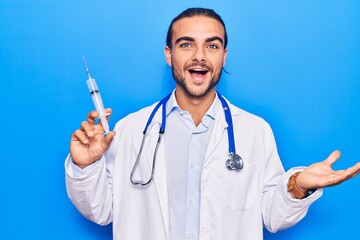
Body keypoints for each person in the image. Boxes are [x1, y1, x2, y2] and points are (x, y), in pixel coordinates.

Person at [65, 7, 360, 240]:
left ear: (224, 55)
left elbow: (272, 216)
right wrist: (84, 167)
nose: (199, 57)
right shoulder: (130, 130)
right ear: (169, 54)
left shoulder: (254, 131)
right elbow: (100, 211)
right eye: (186, 45)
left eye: (212, 46)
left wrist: (297, 186)